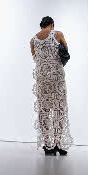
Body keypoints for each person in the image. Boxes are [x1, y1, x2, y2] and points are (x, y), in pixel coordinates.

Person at [30, 16, 73, 156]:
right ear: (52, 25)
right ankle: (58, 143)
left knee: (44, 110)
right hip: (56, 77)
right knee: (59, 109)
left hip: (42, 78)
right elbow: (65, 51)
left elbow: (35, 58)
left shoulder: (33, 40)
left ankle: (48, 146)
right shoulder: (57, 34)